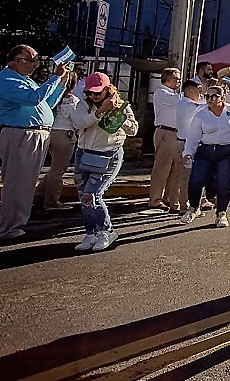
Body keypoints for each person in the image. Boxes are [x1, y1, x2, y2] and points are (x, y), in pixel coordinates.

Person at [0, 45, 70, 241]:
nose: (34, 65)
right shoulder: (6, 80)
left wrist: (61, 84)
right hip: (21, 134)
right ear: (15, 61)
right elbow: (34, 99)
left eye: (35, 61)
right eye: (30, 61)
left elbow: (46, 104)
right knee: (16, 183)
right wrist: (55, 78)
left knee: (27, 183)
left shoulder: (26, 80)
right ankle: (8, 227)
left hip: (35, 134)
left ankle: (17, 224)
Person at [68, 72, 138, 251]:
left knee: (93, 195)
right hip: (84, 153)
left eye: (97, 93)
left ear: (108, 90)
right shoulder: (83, 104)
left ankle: (107, 230)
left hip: (108, 155)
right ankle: (91, 233)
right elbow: (80, 123)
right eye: (90, 92)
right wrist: (100, 111)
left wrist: (117, 116)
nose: (93, 96)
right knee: (83, 196)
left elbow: (133, 130)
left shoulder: (121, 105)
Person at [180, 85, 230, 227]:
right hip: (205, 151)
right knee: (196, 180)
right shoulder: (201, 114)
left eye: (214, 96)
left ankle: (221, 214)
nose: (210, 100)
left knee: (224, 183)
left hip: (227, 152)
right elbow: (193, 137)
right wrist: (188, 153)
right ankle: (193, 208)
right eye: (207, 96)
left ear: (223, 97)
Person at [35, 74, 79, 211]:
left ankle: (37, 196)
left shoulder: (52, 98)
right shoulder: (71, 101)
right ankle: (52, 202)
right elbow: (77, 121)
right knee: (59, 170)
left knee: (54, 168)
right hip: (65, 134)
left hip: (51, 132)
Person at [149, 68, 183, 211]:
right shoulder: (161, 92)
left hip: (176, 133)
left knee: (174, 168)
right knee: (162, 167)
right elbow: (180, 100)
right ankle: (155, 199)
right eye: (177, 78)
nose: (179, 81)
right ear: (168, 79)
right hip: (165, 131)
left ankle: (168, 196)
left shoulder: (174, 95)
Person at [175, 81, 204, 213]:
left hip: (186, 142)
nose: (201, 95)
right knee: (186, 177)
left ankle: (181, 203)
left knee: (183, 176)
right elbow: (203, 107)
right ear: (191, 92)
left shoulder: (185, 103)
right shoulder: (187, 104)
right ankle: (185, 206)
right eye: (199, 92)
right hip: (186, 143)